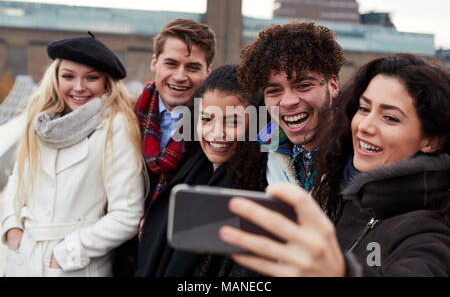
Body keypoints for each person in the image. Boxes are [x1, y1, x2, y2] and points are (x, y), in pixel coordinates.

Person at [219, 54, 450, 276]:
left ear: (431, 140)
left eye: (390, 117)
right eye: (364, 108)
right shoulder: (344, 195)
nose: (364, 126)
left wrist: (339, 273)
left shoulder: (431, 234)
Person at [0, 33, 145, 276]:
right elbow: (16, 183)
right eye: (68, 76)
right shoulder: (40, 123)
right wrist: (11, 229)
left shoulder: (115, 127)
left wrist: (65, 253)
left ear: (106, 83)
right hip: (23, 262)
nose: (79, 87)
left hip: (76, 266)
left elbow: (127, 215)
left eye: (91, 78)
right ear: (55, 78)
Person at [135, 65, 267, 276]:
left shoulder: (257, 190)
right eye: (207, 119)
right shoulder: (190, 168)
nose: (216, 133)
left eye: (233, 121)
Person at [113, 18, 216, 276]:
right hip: (117, 257)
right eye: (171, 63)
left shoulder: (220, 132)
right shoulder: (123, 118)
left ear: (208, 73)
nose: (180, 76)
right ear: (154, 63)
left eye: (192, 67)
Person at [238, 21, 345, 191]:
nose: (288, 101)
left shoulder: (360, 152)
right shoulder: (270, 144)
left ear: (332, 86)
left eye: (303, 86)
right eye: (273, 91)